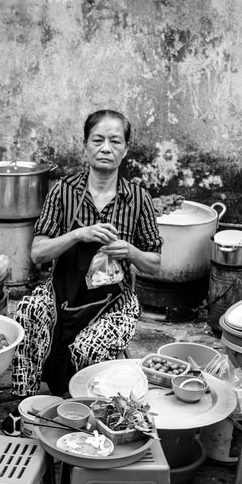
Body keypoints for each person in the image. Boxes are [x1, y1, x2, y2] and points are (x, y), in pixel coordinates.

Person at [10, 110, 163, 398]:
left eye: (115, 141)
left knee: (87, 347)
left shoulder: (138, 199)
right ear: (85, 145)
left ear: (126, 149)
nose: (106, 148)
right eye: (98, 140)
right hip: (62, 294)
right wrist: (78, 234)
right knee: (27, 312)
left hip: (114, 301)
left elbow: (154, 263)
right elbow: (38, 253)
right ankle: (27, 404)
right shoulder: (63, 192)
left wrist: (129, 251)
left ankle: (87, 405)